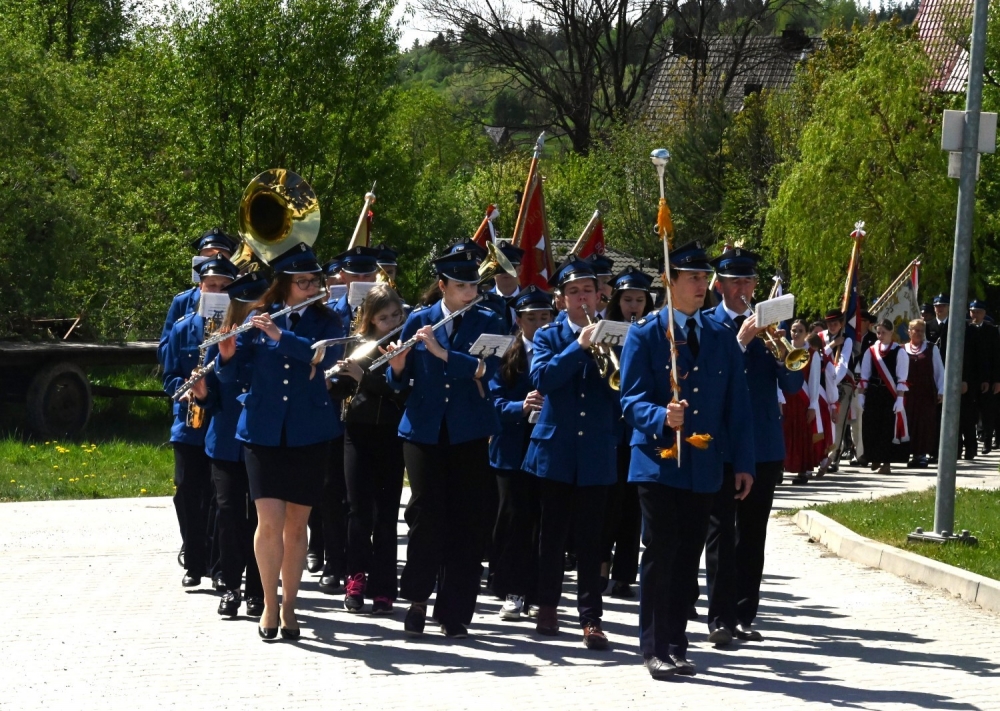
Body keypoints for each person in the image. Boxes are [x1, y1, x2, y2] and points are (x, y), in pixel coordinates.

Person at [619, 241, 754, 679]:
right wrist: (661, 415)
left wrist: (744, 463)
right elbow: (630, 400)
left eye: (704, 277)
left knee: (687, 556)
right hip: (658, 461)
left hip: (703, 465)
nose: (702, 285)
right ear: (669, 281)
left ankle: (677, 643)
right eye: (692, 277)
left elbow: (738, 405)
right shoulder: (645, 333)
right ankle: (655, 647)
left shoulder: (719, 336)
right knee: (661, 553)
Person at [215, 242, 343, 641]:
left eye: (313, 281)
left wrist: (279, 335)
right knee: (268, 522)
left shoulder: (329, 320)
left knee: (296, 524)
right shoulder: (258, 316)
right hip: (263, 432)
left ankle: (290, 605)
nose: (310, 287)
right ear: (284, 284)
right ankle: (269, 602)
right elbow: (233, 379)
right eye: (302, 281)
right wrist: (227, 356)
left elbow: (323, 356)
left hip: (308, 432)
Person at [383, 248, 505, 639]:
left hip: (468, 429)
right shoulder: (419, 319)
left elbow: (491, 369)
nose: (470, 291)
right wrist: (398, 368)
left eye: (473, 284)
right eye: (461, 285)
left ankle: (454, 611)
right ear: (443, 287)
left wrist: (442, 353)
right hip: (423, 429)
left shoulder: (490, 320)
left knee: (467, 520)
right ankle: (417, 598)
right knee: (425, 513)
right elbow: (399, 383)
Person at [704, 247, 803, 645]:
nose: (742, 289)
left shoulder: (771, 329)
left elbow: (793, 387)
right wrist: (741, 343)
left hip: (763, 445)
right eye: (734, 282)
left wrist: (786, 356)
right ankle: (720, 618)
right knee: (720, 533)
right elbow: (708, 379)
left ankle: (745, 613)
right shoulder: (709, 326)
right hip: (722, 445)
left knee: (753, 535)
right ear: (720, 285)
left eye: (748, 282)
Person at [522, 258, 618, 649]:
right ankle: (546, 604)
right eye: (575, 293)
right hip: (556, 448)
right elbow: (542, 379)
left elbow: (625, 387)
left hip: (596, 449)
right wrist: (579, 348)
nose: (583, 299)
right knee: (551, 534)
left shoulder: (618, 336)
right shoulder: (548, 336)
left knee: (592, 539)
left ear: (599, 296)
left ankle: (591, 618)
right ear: (561, 300)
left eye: (589, 292)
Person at [191, 271, 270, 617]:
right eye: (249, 305)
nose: (256, 311)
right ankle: (230, 586)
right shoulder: (221, 340)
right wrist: (204, 391)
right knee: (227, 514)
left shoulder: (272, 343)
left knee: (259, 518)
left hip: (262, 440)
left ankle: (258, 591)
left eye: (262, 304)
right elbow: (213, 401)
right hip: (224, 441)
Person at [327, 284, 409, 614]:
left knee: (387, 515)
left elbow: (400, 392)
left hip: (392, 434)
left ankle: (385, 586)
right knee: (358, 512)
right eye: (383, 317)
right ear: (370, 320)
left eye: (395, 316)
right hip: (358, 434)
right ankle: (355, 580)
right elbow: (347, 388)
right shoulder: (359, 345)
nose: (391, 322)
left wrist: (363, 376)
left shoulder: (408, 346)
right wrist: (332, 381)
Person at [163, 255, 238, 588]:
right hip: (188, 424)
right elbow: (169, 377)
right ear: (200, 287)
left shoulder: (238, 334)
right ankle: (194, 563)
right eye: (212, 286)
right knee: (187, 493)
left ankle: (220, 567)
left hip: (221, 423)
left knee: (220, 500)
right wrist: (186, 390)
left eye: (225, 287)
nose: (218, 292)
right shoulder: (182, 329)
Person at [488, 286, 554, 621]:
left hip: (546, 448)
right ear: (519, 319)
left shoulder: (559, 350)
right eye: (533, 318)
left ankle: (539, 591)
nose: (541, 324)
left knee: (542, 522)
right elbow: (493, 401)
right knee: (514, 520)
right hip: (512, 450)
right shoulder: (506, 353)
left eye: (546, 317)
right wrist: (520, 405)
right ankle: (510, 590)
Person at [600, 266, 654, 600]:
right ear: (617, 301)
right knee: (608, 504)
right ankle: (601, 567)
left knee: (633, 509)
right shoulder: (606, 332)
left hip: (638, 431)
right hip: (608, 431)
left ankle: (623, 576)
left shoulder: (652, 331)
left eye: (639, 300)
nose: (633, 306)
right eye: (627, 299)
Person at [158, 228, 238, 365]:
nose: (213, 263)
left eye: (220, 258)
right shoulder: (182, 301)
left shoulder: (240, 302)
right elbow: (164, 351)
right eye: (205, 259)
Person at [783, 323, 835, 481]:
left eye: (800, 331)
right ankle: (781, 468)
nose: (796, 333)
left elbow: (814, 381)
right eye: (793, 330)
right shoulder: (783, 349)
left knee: (802, 434)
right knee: (785, 433)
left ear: (806, 333)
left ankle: (803, 469)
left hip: (803, 400)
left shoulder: (812, 354)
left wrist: (813, 405)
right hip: (786, 399)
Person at [858, 319, 910, 474]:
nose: (880, 336)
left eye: (883, 333)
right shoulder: (871, 351)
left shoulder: (899, 351)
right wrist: (861, 395)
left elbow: (902, 378)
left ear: (891, 333)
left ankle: (886, 463)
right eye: (878, 332)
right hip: (874, 393)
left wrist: (900, 398)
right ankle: (874, 457)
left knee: (887, 428)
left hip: (890, 394)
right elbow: (865, 374)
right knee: (871, 425)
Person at [903, 319, 944, 468]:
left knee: (924, 424)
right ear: (909, 331)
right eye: (915, 330)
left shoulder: (931, 349)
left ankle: (921, 455)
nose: (918, 333)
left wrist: (941, 391)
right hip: (907, 394)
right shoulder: (902, 349)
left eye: (921, 330)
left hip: (926, 394)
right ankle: (906, 453)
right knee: (908, 422)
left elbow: (939, 371)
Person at [821, 309, 855, 472]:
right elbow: (818, 356)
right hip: (822, 382)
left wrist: (834, 380)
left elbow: (843, 362)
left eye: (835, 323)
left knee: (838, 421)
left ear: (841, 323)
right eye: (829, 323)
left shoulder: (847, 340)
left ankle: (834, 456)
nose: (832, 326)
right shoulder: (821, 337)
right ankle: (822, 454)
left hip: (840, 382)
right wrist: (833, 344)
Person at [968, 301, 999, 454]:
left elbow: (996, 358)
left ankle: (987, 441)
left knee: (987, 412)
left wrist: (996, 380)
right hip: (970, 378)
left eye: (978, 312)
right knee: (970, 413)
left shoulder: (991, 331)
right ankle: (971, 444)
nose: (975, 315)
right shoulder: (966, 328)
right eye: (973, 311)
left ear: (984, 313)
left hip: (987, 378)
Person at [849, 311, 878, 466]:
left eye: (863, 320)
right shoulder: (850, 338)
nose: (860, 323)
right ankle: (857, 452)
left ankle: (868, 451)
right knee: (854, 420)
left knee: (867, 420)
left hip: (869, 385)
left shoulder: (874, 340)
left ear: (869, 323)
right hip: (852, 383)